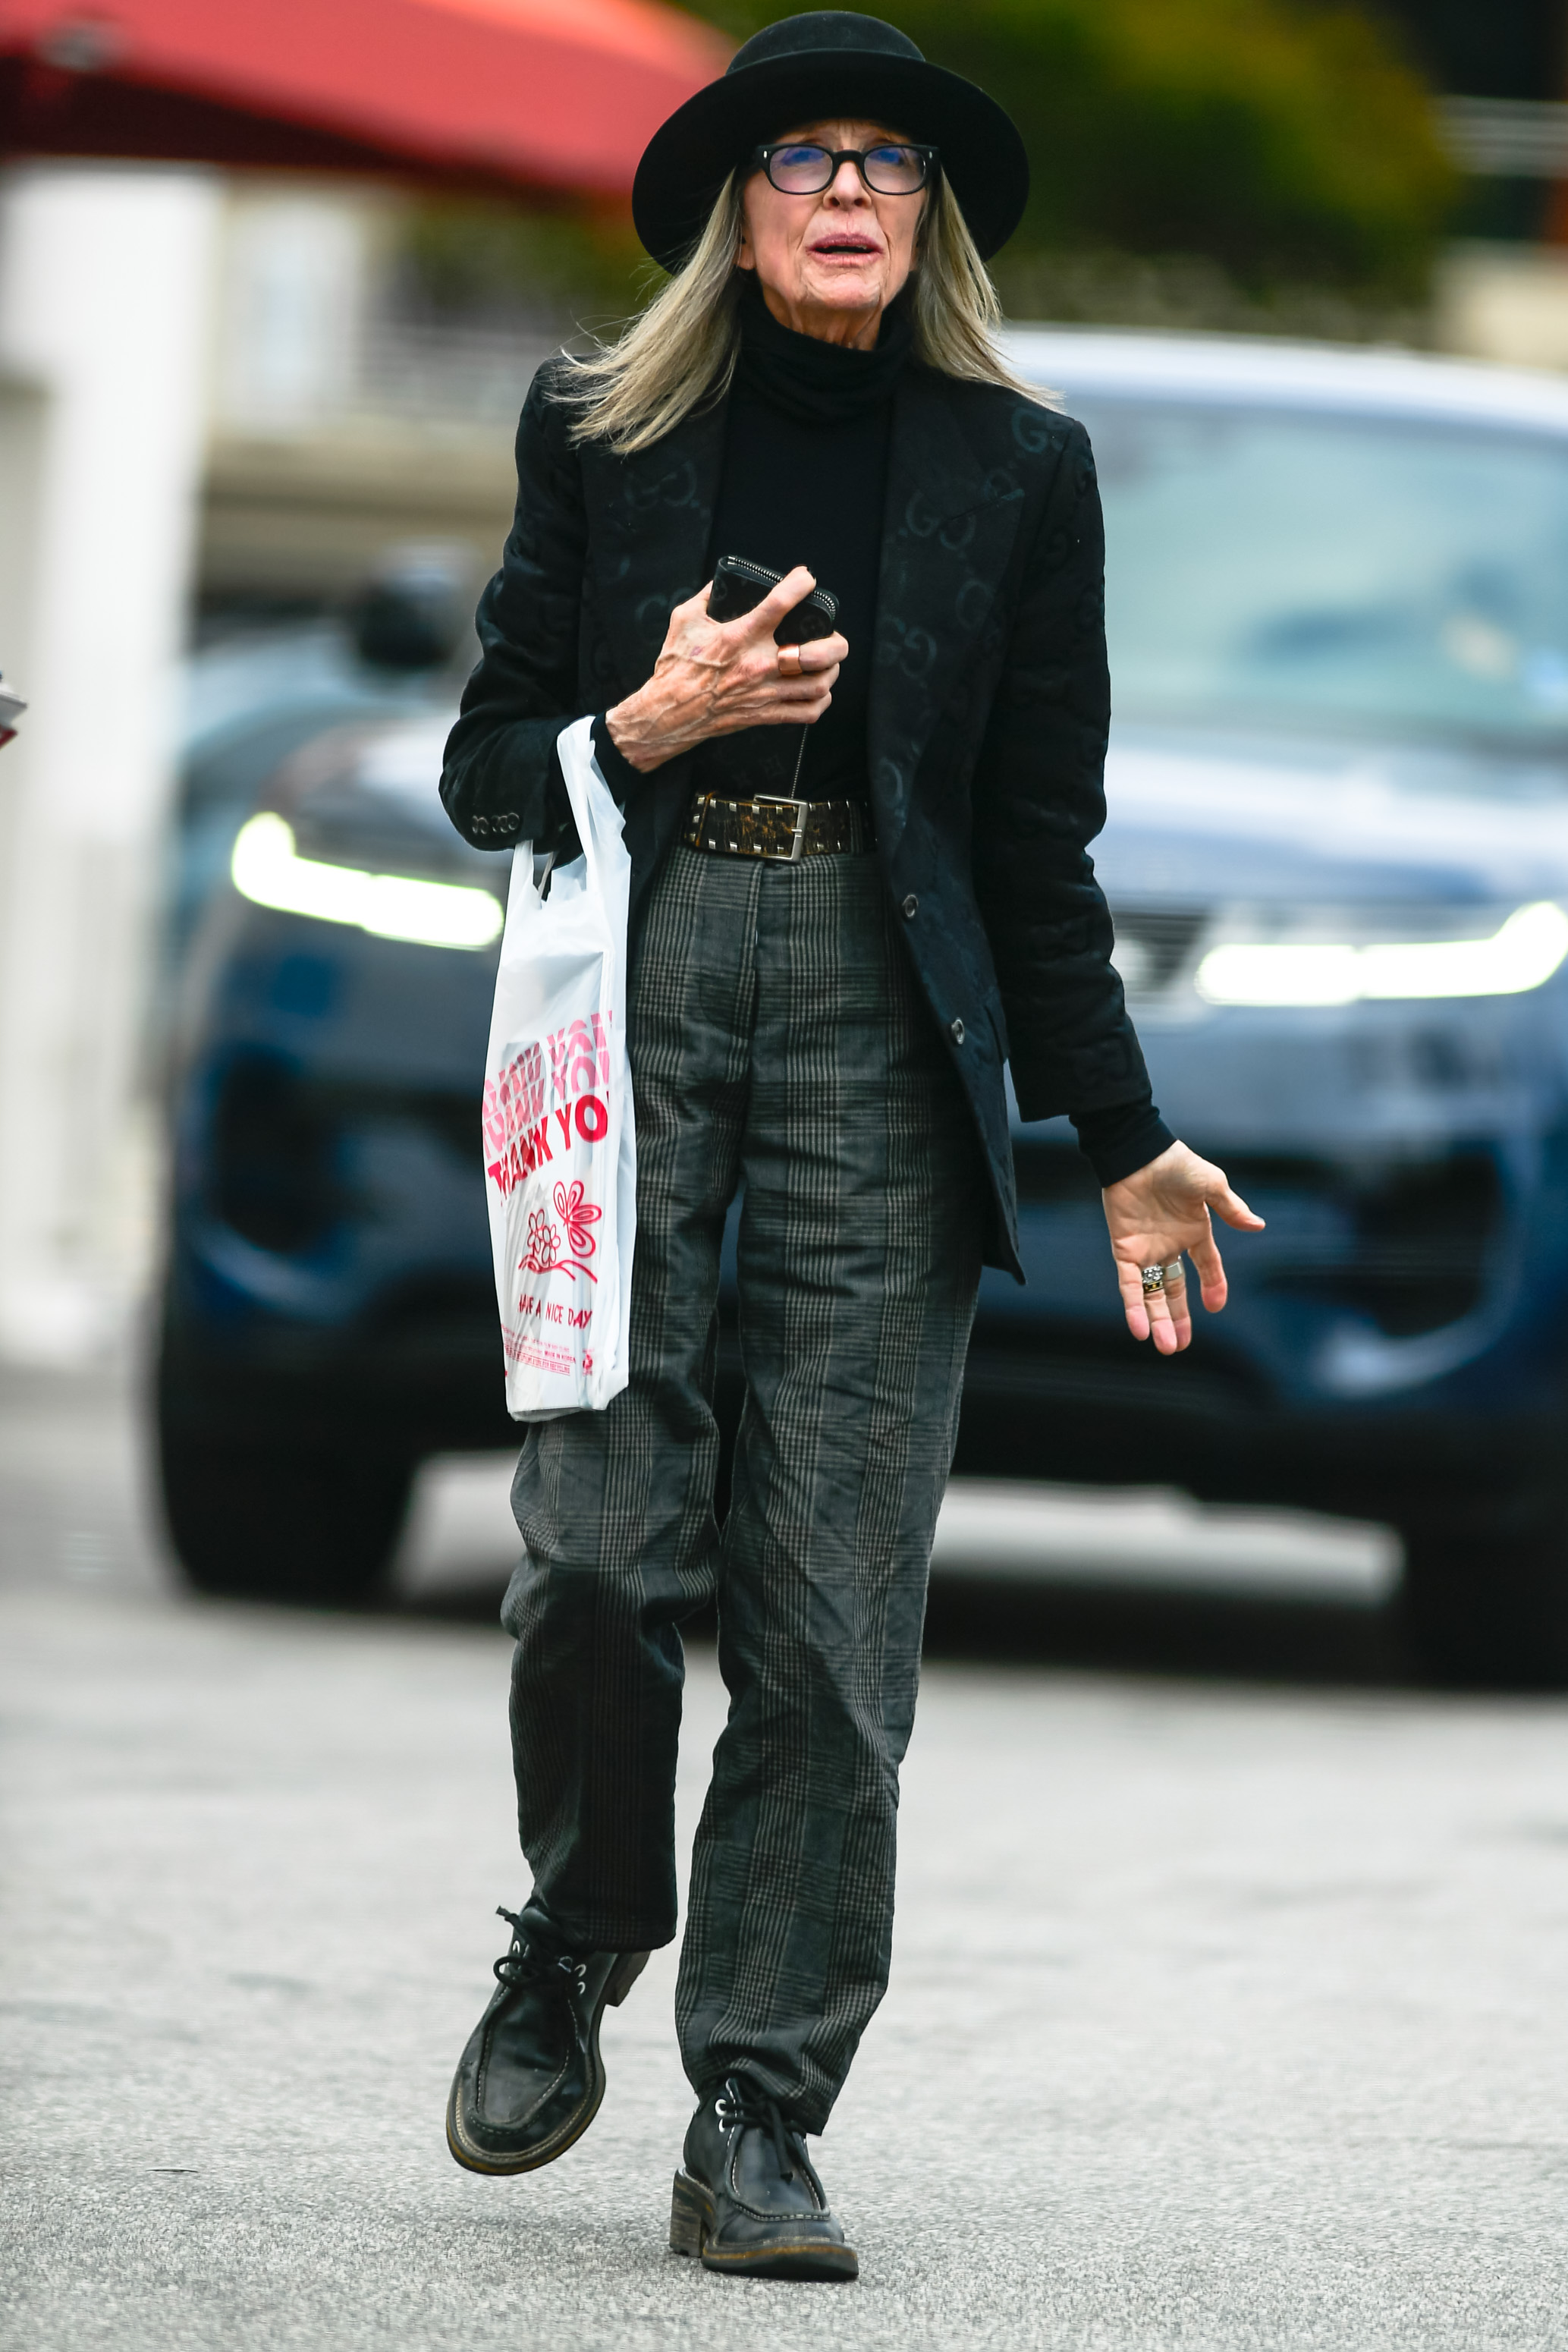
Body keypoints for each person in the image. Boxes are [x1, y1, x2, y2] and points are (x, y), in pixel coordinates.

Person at [437, 8, 1263, 2282]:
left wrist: (1122, 1134)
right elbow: (486, 763)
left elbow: (1032, 840)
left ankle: (758, 2104)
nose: (842, 192)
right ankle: (580, 1926)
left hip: (888, 1039)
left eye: (888, 166)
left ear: (929, 224)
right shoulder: (603, 426)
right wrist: (644, 720)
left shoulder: (1019, 468)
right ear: (737, 200)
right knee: (598, 1542)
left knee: (829, 1621)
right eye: (801, 156)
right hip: (637, 993)